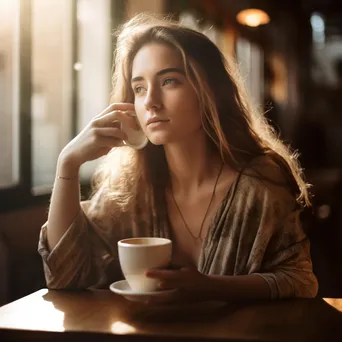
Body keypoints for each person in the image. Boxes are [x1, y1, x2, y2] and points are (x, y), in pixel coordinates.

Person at [38, 13, 318, 301]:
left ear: (209, 91)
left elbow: (300, 282)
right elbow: (64, 276)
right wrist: (67, 164)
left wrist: (210, 287)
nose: (151, 101)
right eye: (139, 88)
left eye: (169, 81)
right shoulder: (130, 191)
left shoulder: (259, 186)